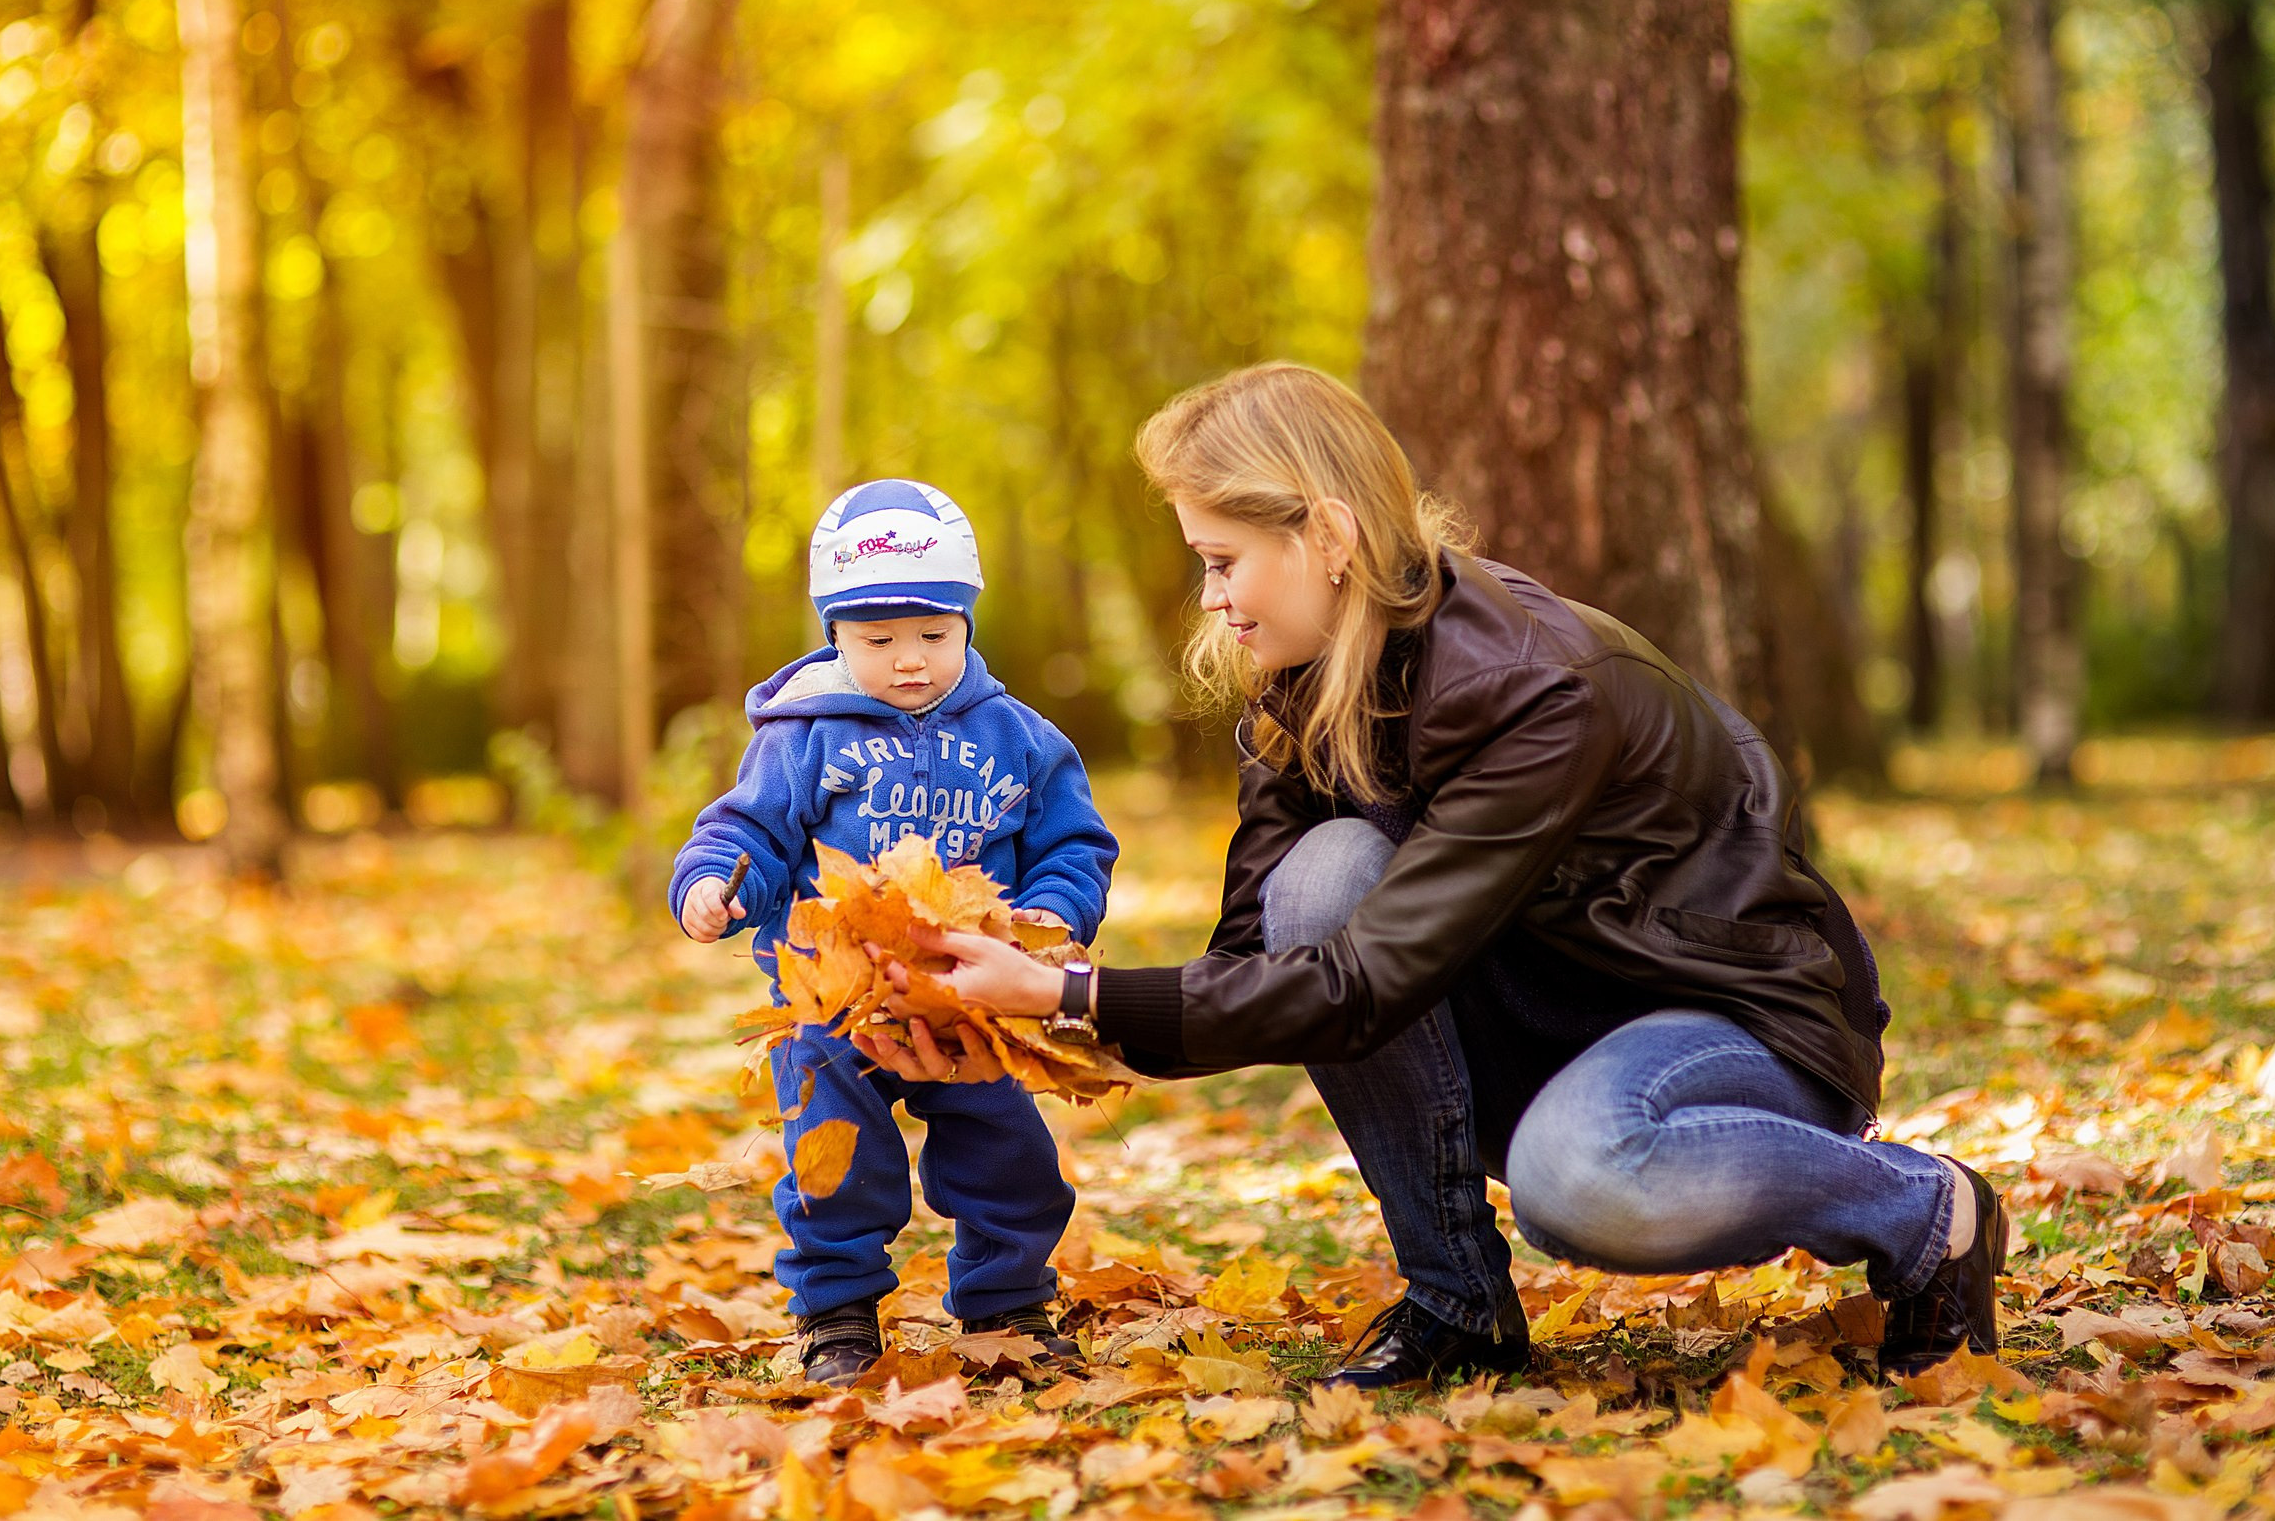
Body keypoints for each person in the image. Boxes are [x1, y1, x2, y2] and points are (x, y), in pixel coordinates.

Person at [855, 365, 2005, 1390]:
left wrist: (1069, 995)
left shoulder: (1536, 688)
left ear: (1328, 534)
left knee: (1578, 1179)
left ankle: (1926, 1211)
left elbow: (1362, 983)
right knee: (1322, 879)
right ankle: (1458, 1305)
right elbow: (1254, 961)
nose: (1210, 598)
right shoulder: (1300, 683)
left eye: (1221, 562)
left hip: (1735, 1028)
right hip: (1544, 1013)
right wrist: (1022, 1033)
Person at [673, 478, 1119, 1386]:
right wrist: (715, 884)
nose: (910, 660)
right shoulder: (803, 736)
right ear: (834, 634)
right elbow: (748, 830)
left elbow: (1074, 842)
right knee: (833, 1158)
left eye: (935, 635)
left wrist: (1052, 915)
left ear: (967, 622)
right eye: (879, 641)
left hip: (974, 993)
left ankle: (1009, 1305)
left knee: (1010, 1155)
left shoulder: (1021, 739)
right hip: (837, 1000)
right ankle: (838, 1312)